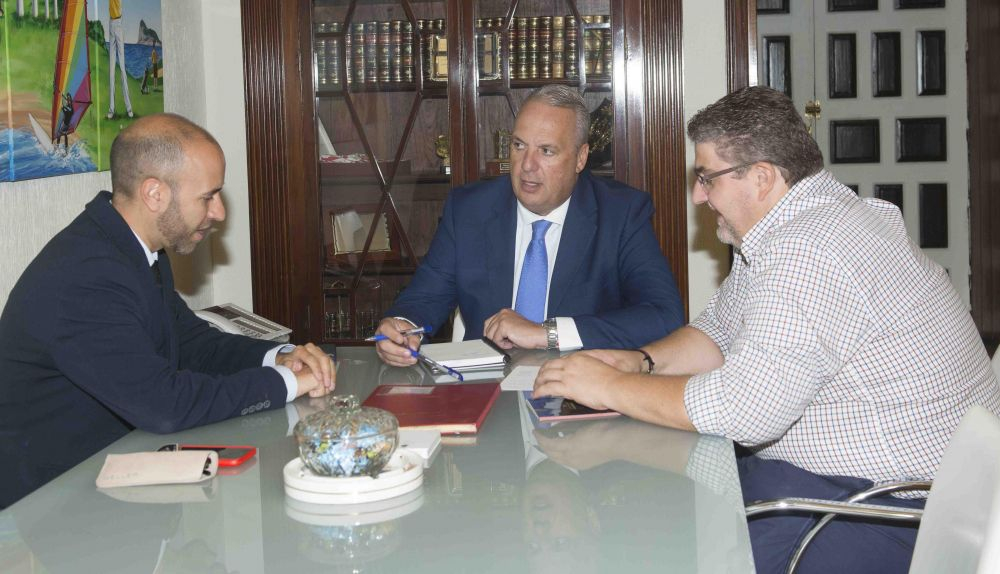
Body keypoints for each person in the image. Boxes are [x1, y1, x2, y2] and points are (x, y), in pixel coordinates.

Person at [533, 86, 1000, 573]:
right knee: (675, 512)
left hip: (896, 513)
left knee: (671, 541)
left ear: (761, 178)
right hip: (858, 486)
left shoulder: (810, 250)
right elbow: (718, 330)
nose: (697, 195)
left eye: (706, 178)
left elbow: (744, 409)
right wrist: (642, 362)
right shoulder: (797, 228)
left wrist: (609, 386)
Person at [0, 113, 336, 508]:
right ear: (154, 194)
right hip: (52, 506)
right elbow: (164, 405)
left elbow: (190, 342)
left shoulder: (134, 248)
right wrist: (287, 383)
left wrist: (279, 356)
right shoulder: (86, 275)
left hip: (113, 482)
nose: (219, 212)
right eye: (208, 196)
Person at [376, 85, 684, 366]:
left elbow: (664, 315)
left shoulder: (620, 214)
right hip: (486, 387)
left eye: (546, 151)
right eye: (519, 145)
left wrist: (548, 333)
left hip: (580, 388)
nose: (527, 165)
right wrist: (402, 327)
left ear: (580, 158)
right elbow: (424, 297)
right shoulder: (471, 210)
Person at [106, 0, 134, 119]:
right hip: (111, 23)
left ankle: (129, 108)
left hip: (118, 23)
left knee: (122, 69)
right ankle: (111, 109)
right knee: (111, 72)